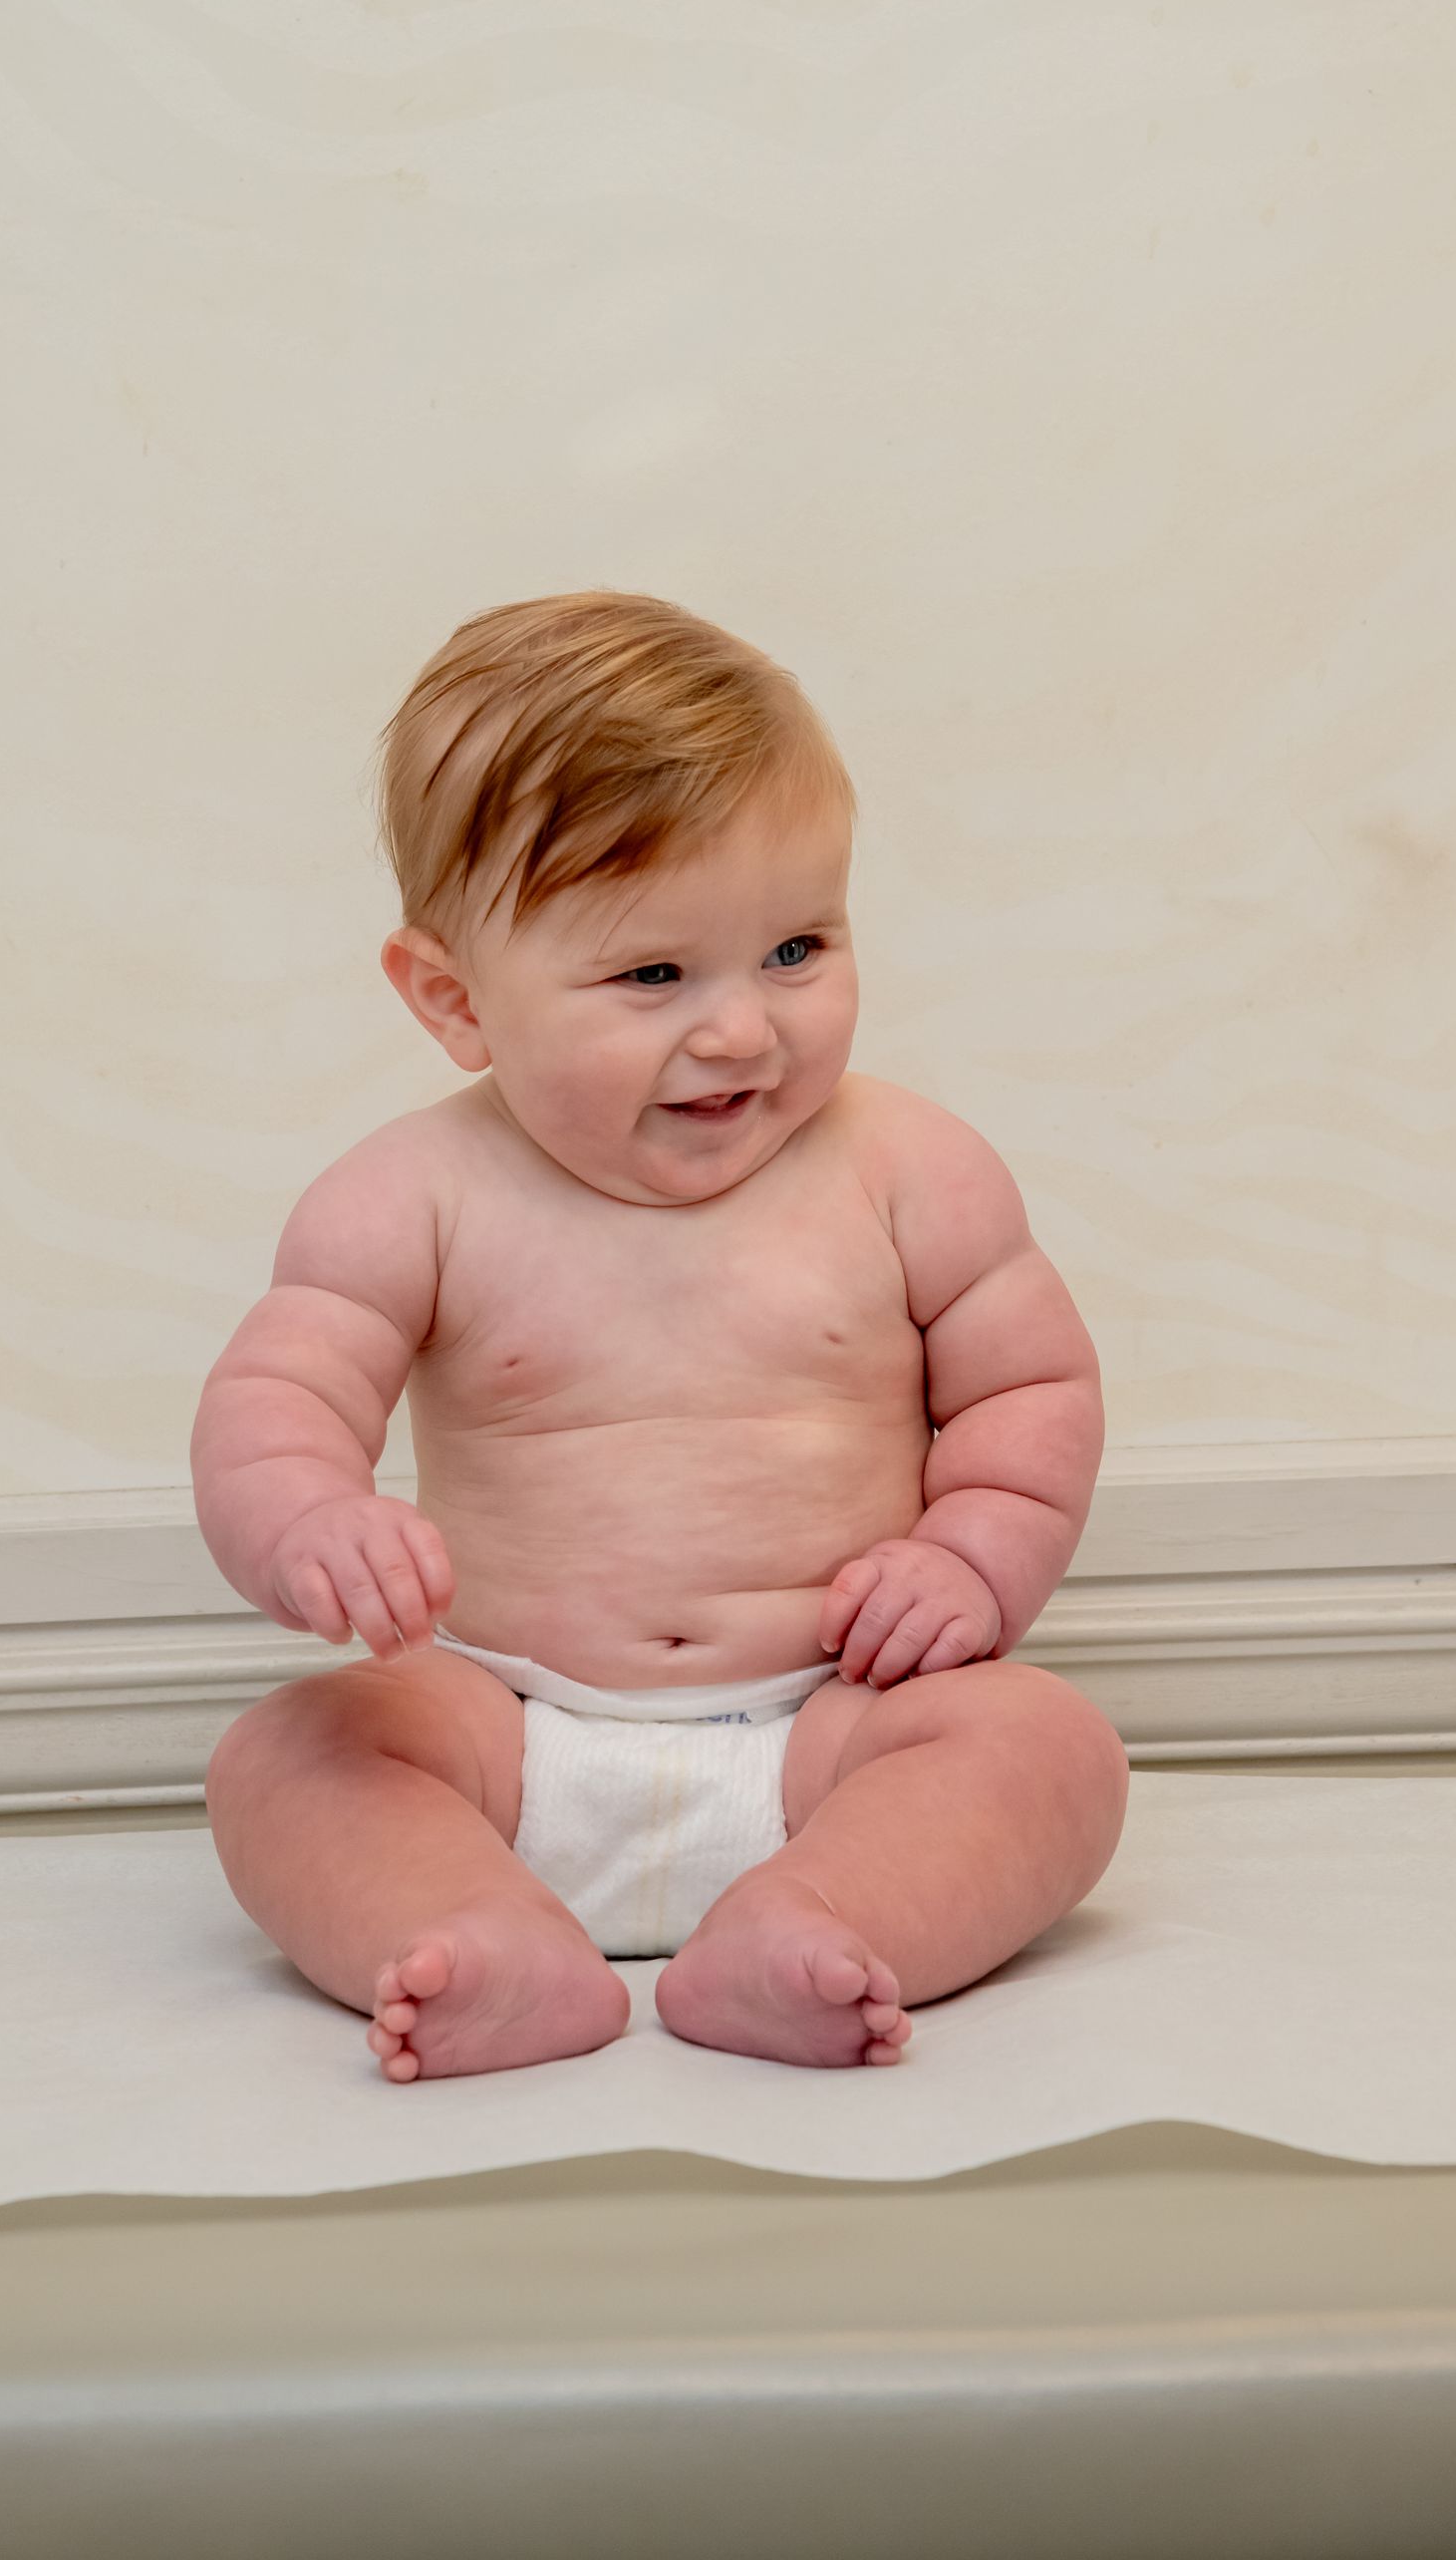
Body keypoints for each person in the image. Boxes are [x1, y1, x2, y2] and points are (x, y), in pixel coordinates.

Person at [193, 590, 1128, 2080]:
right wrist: (306, 1517)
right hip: (502, 1724)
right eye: (652, 976)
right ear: (455, 1001)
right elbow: (275, 1396)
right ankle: (469, 1929)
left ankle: (820, 1916)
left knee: (1048, 1750)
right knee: (286, 1761)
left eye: (796, 949)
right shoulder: (410, 1196)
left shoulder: (913, 1170)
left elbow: (1032, 1385)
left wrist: (971, 1558)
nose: (743, 1031)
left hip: (829, 1729)